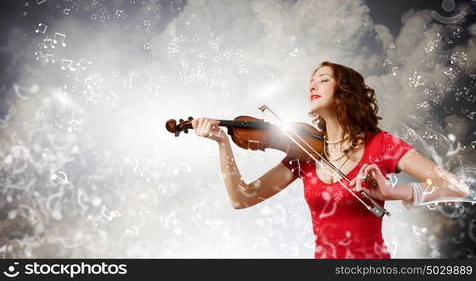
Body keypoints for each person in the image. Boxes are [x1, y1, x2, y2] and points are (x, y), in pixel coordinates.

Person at [190, 61, 469, 259]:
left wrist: (393, 192)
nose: (313, 84)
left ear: (345, 91)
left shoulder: (381, 144)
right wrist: (223, 143)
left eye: (323, 79)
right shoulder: (304, 155)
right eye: (311, 80)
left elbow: (457, 187)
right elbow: (242, 198)